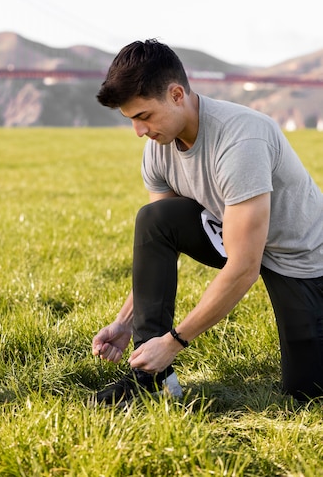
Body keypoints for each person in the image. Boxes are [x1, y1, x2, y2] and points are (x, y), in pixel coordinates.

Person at [91, 38, 323, 406]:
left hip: (300, 257)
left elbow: (244, 267)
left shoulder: (240, 139)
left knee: (307, 394)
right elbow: (161, 233)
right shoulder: (158, 149)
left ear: (177, 94)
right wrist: (126, 322)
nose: (138, 130)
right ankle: (148, 378)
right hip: (234, 234)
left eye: (144, 116)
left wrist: (174, 342)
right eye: (131, 119)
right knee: (154, 218)